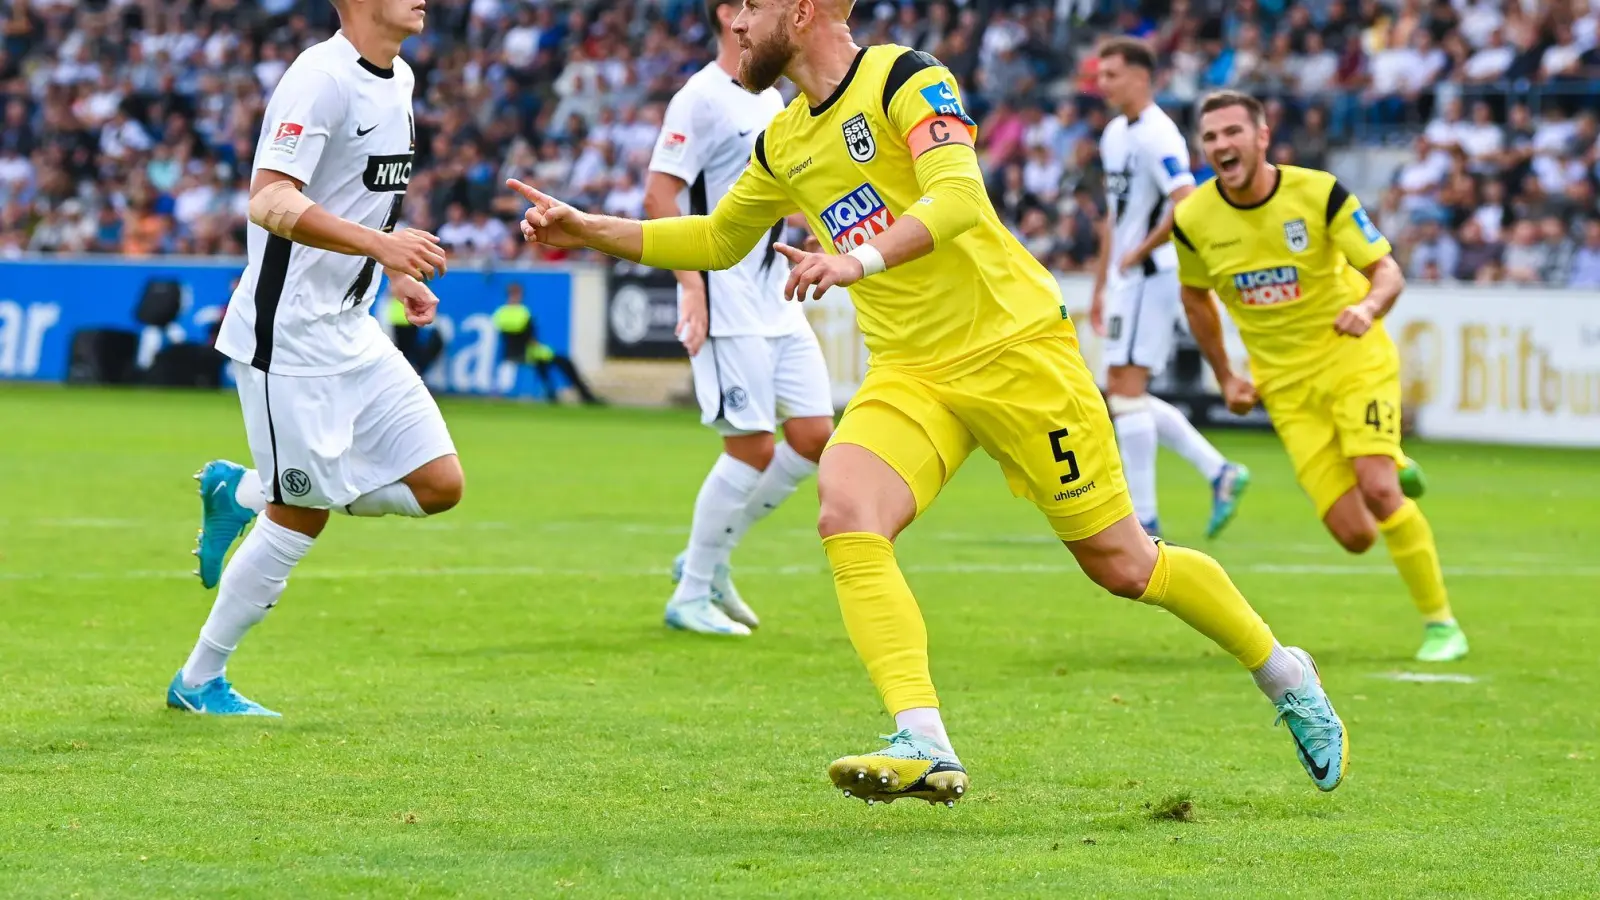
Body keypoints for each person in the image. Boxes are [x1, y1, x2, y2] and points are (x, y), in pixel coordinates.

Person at [509, 0, 1348, 802]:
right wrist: (590, 229)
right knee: (846, 514)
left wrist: (855, 261)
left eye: (751, 9)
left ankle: (1282, 671)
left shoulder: (908, 78)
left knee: (1123, 565)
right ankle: (925, 740)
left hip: (1017, 353)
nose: (733, 22)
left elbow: (958, 198)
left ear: (800, 13)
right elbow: (719, 237)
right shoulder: (782, 139)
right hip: (912, 372)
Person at [171, 0, 465, 717]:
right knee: (301, 514)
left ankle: (243, 490)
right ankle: (199, 679)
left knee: (439, 484)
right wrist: (381, 248)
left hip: (355, 327)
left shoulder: (399, 79)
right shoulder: (318, 78)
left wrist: (393, 269)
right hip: (290, 337)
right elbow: (268, 199)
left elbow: (370, 195)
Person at [1172, 90, 1468, 664]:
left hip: (1351, 357)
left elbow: (1386, 270)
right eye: (1210, 137)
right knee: (1355, 536)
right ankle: (1392, 461)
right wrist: (1227, 375)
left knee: (1378, 488)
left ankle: (1441, 625)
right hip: (1285, 388)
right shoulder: (1193, 219)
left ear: (1262, 136)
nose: (1221, 145)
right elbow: (1195, 297)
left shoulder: (1319, 192)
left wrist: (1369, 308)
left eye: (1233, 132)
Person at [641, 0, 835, 636]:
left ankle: (711, 555)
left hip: (773, 293)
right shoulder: (699, 96)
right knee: (750, 447)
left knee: (813, 437)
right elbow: (660, 194)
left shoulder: (770, 98)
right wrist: (689, 286)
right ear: (728, 14)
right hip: (723, 298)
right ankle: (691, 591)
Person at [1090, 38, 1247, 540]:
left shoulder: (1159, 135)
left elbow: (1186, 199)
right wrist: (1102, 281)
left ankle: (1145, 520)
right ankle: (1218, 471)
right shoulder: (1114, 134)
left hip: (1152, 275)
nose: (1103, 83)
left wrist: (1139, 253)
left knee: (1125, 393)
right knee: (1125, 393)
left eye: (1112, 74)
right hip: (1125, 279)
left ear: (1141, 76)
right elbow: (1115, 217)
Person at [491, 281, 600, 405]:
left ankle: (551, 393)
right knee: (564, 361)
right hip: (528, 352)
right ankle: (584, 394)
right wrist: (541, 347)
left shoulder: (500, 313)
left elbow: (503, 334)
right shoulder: (523, 312)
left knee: (543, 363)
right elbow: (529, 338)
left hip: (509, 353)